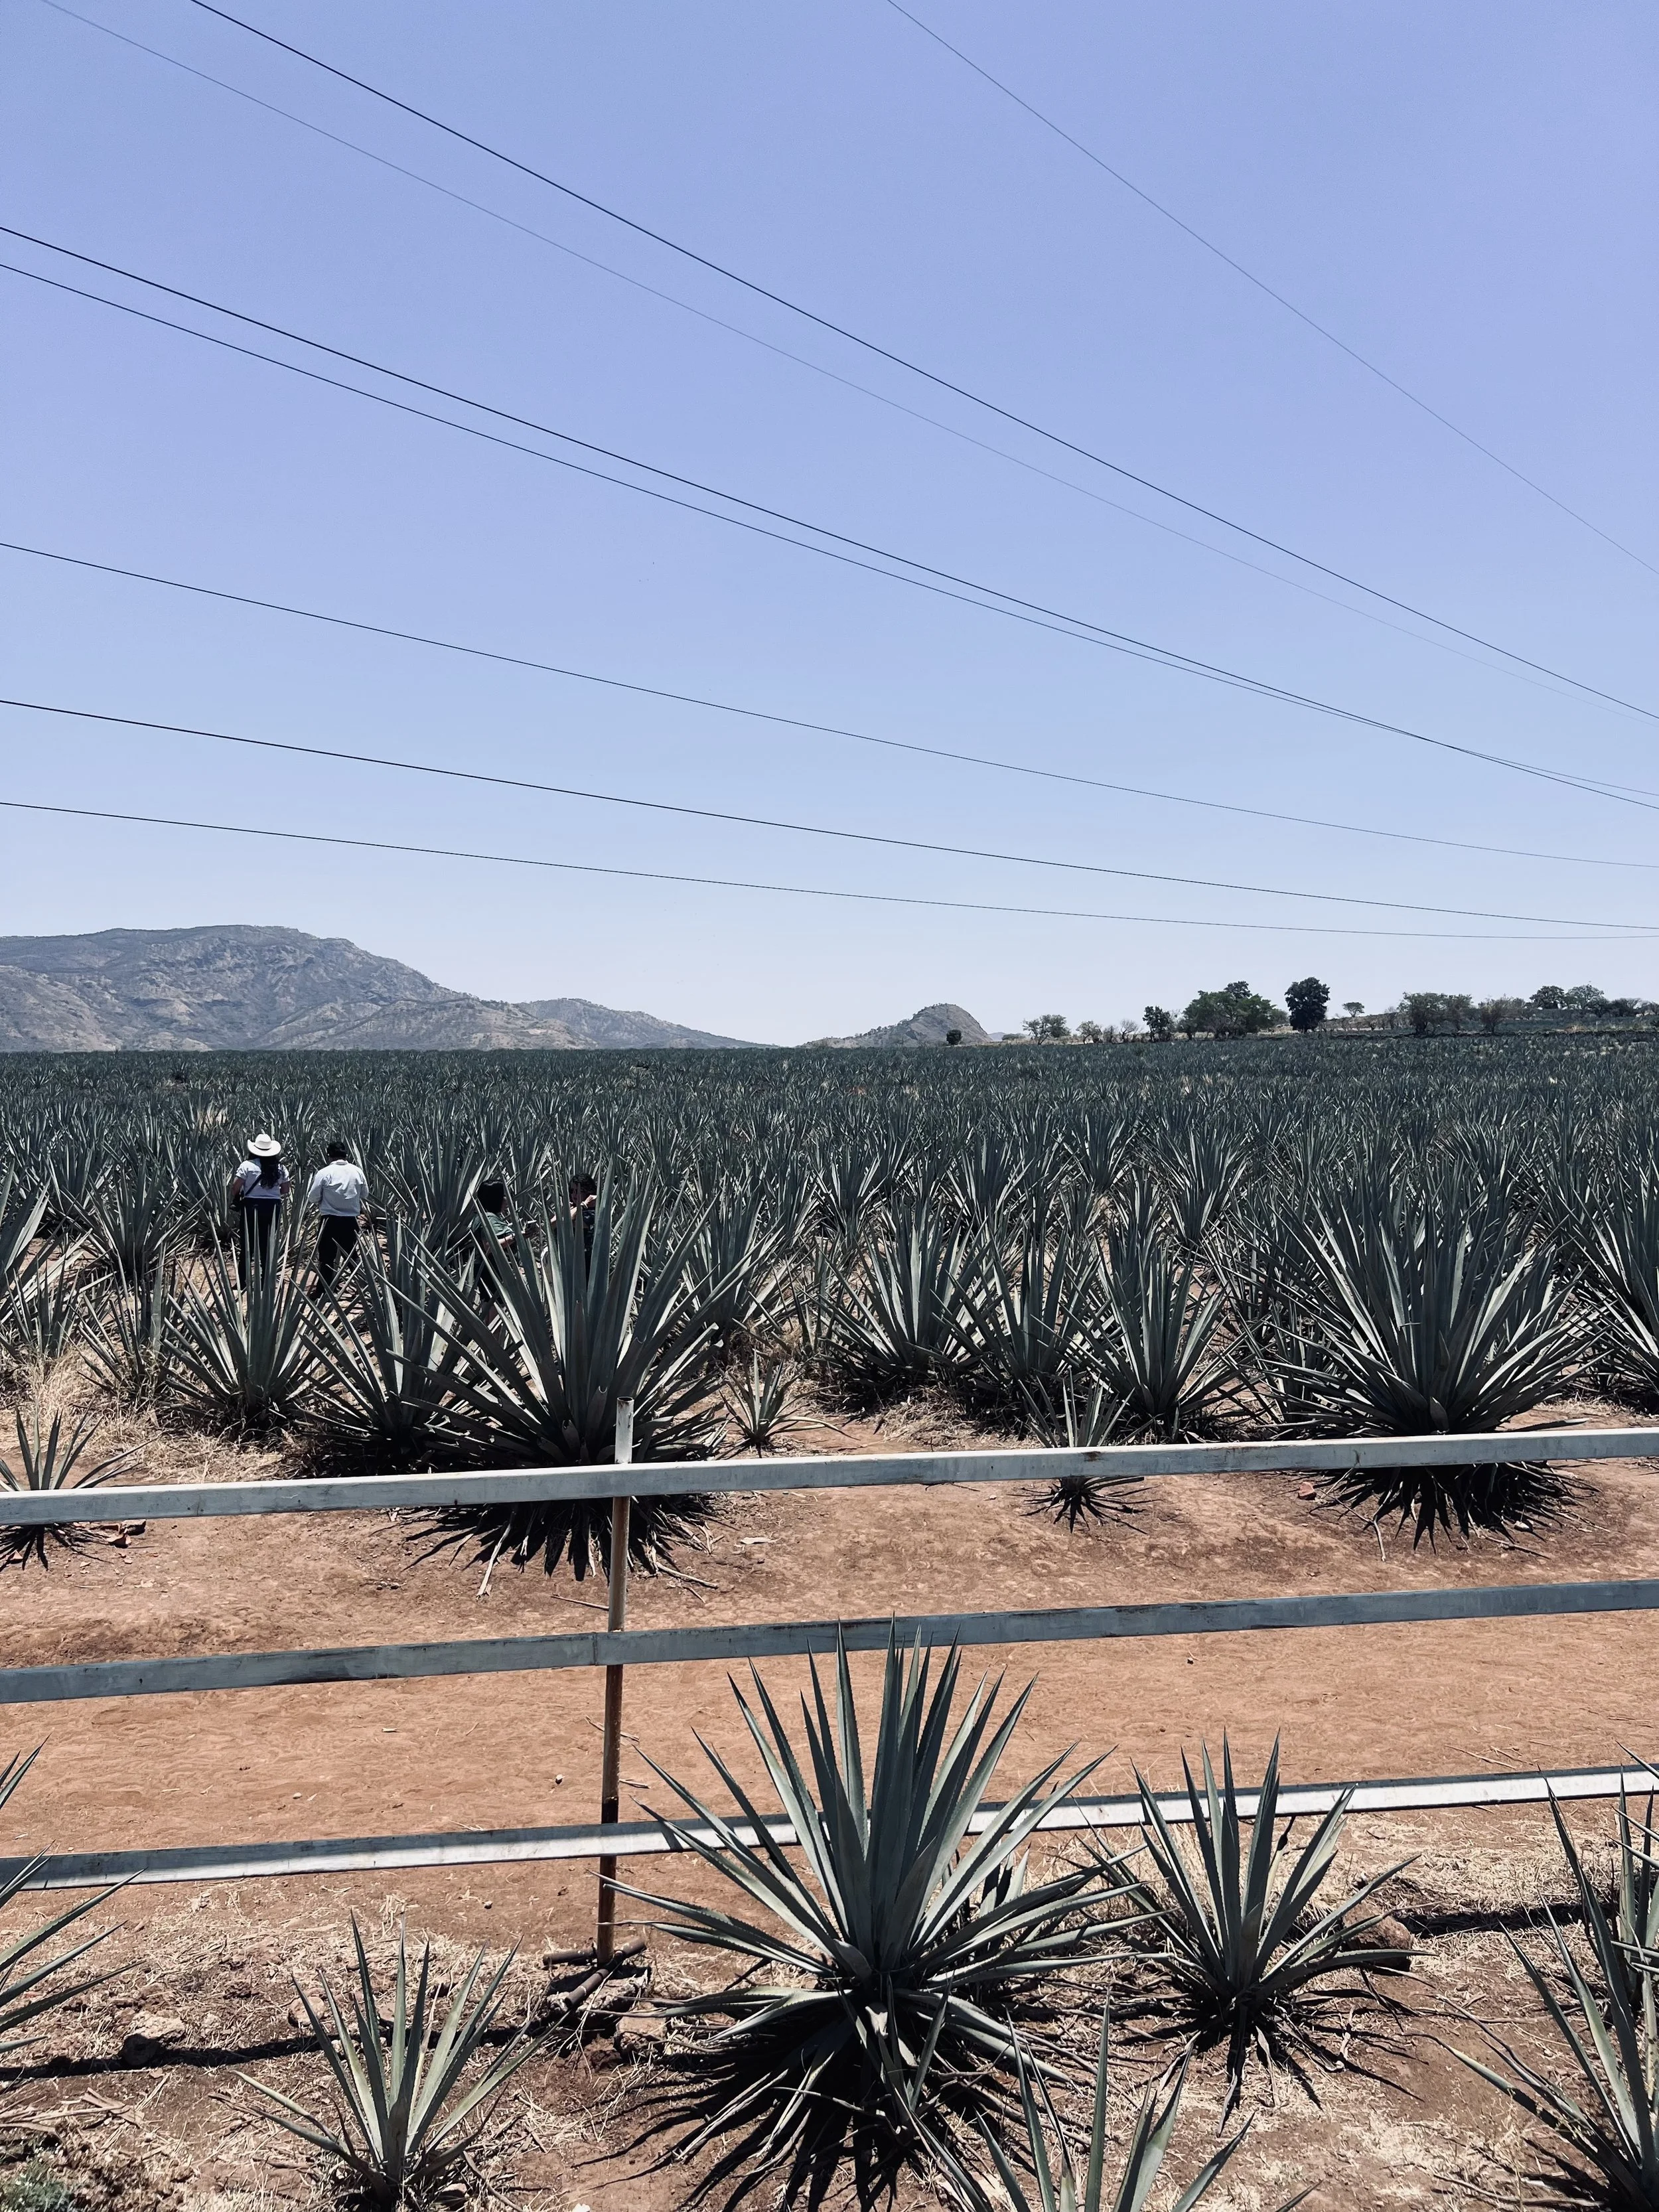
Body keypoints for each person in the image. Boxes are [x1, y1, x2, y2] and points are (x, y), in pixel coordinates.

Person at [306, 1140, 371, 1293]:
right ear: (345, 1155)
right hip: (351, 1221)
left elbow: (313, 1197)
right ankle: (364, 1288)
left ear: (329, 1156)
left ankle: (325, 1289)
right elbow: (365, 1194)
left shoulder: (324, 1173)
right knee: (352, 1254)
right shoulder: (357, 1171)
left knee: (326, 1256)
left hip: (329, 1220)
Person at [229, 1132, 291, 1281]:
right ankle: (266, 1279)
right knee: (268, 1242)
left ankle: (243, 1280)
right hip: (272, 1207)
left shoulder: (247, 1165)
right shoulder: (281, 1168)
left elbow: (235, 1186)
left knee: (247, 1242)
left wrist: (236, 1198)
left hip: (251, 1206)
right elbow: (286, 1190)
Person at [473, 1177, 516, 1308]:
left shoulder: (481, 1217)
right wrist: (517, 1237)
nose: (507, 1200)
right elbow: (490, 1247)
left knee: (489, 1306)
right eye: (504, 1196)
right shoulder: (490, 1218)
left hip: (485, 1269)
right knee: (496, 1311)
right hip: (495, 1270)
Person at [568, 1173, 598, 1264]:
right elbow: (553, 1223)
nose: (574, 1195)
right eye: (572, 1191)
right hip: (567, 1261)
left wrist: (584, 1205)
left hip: (585, 1263)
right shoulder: (572, 1208)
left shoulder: (592, 1213)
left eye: (579, 1191)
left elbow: (566, 1222)